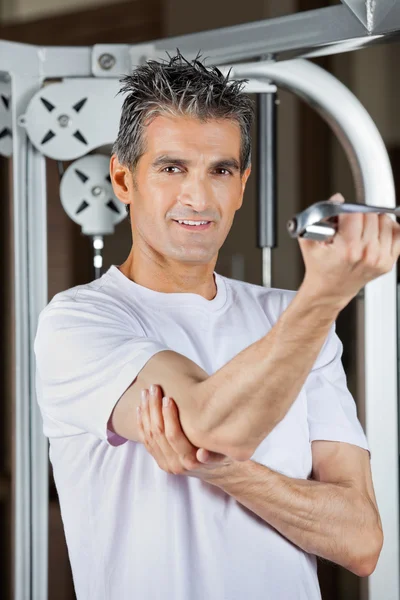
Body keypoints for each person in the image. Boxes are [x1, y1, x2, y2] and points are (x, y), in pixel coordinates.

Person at [34, 52, 399, 600]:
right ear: (122, 178)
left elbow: (361, 539)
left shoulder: (290, 320)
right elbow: (214, 425)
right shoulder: (78, 321)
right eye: (172, 167)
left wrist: (230, 474)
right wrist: (324, 295)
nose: (198, 197)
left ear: (242, 184)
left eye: (220, 170)